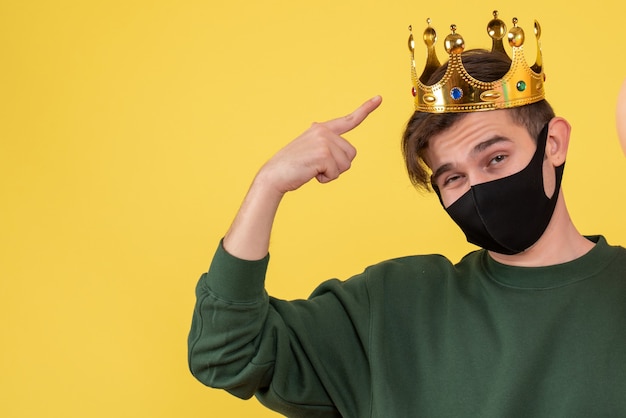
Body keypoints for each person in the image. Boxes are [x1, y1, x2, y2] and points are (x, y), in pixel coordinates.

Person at [188, 12, 626, 418]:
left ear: (553, 144)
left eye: (494, 159)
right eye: (452, 178)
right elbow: (226, 354)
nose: (477, 189)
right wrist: (268, 186)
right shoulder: (393, 307)